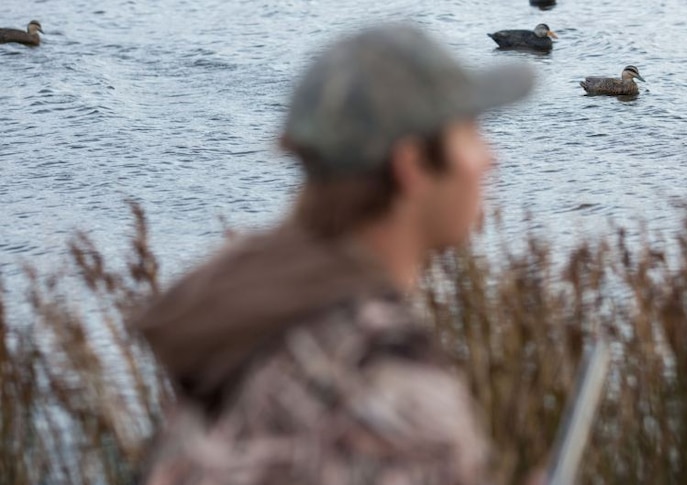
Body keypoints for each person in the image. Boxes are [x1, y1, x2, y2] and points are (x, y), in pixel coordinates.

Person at [134, 22, 534, 485]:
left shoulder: (246, 324)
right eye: (470, 134)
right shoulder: (398, 399)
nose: (490, 158)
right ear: (411, 167)